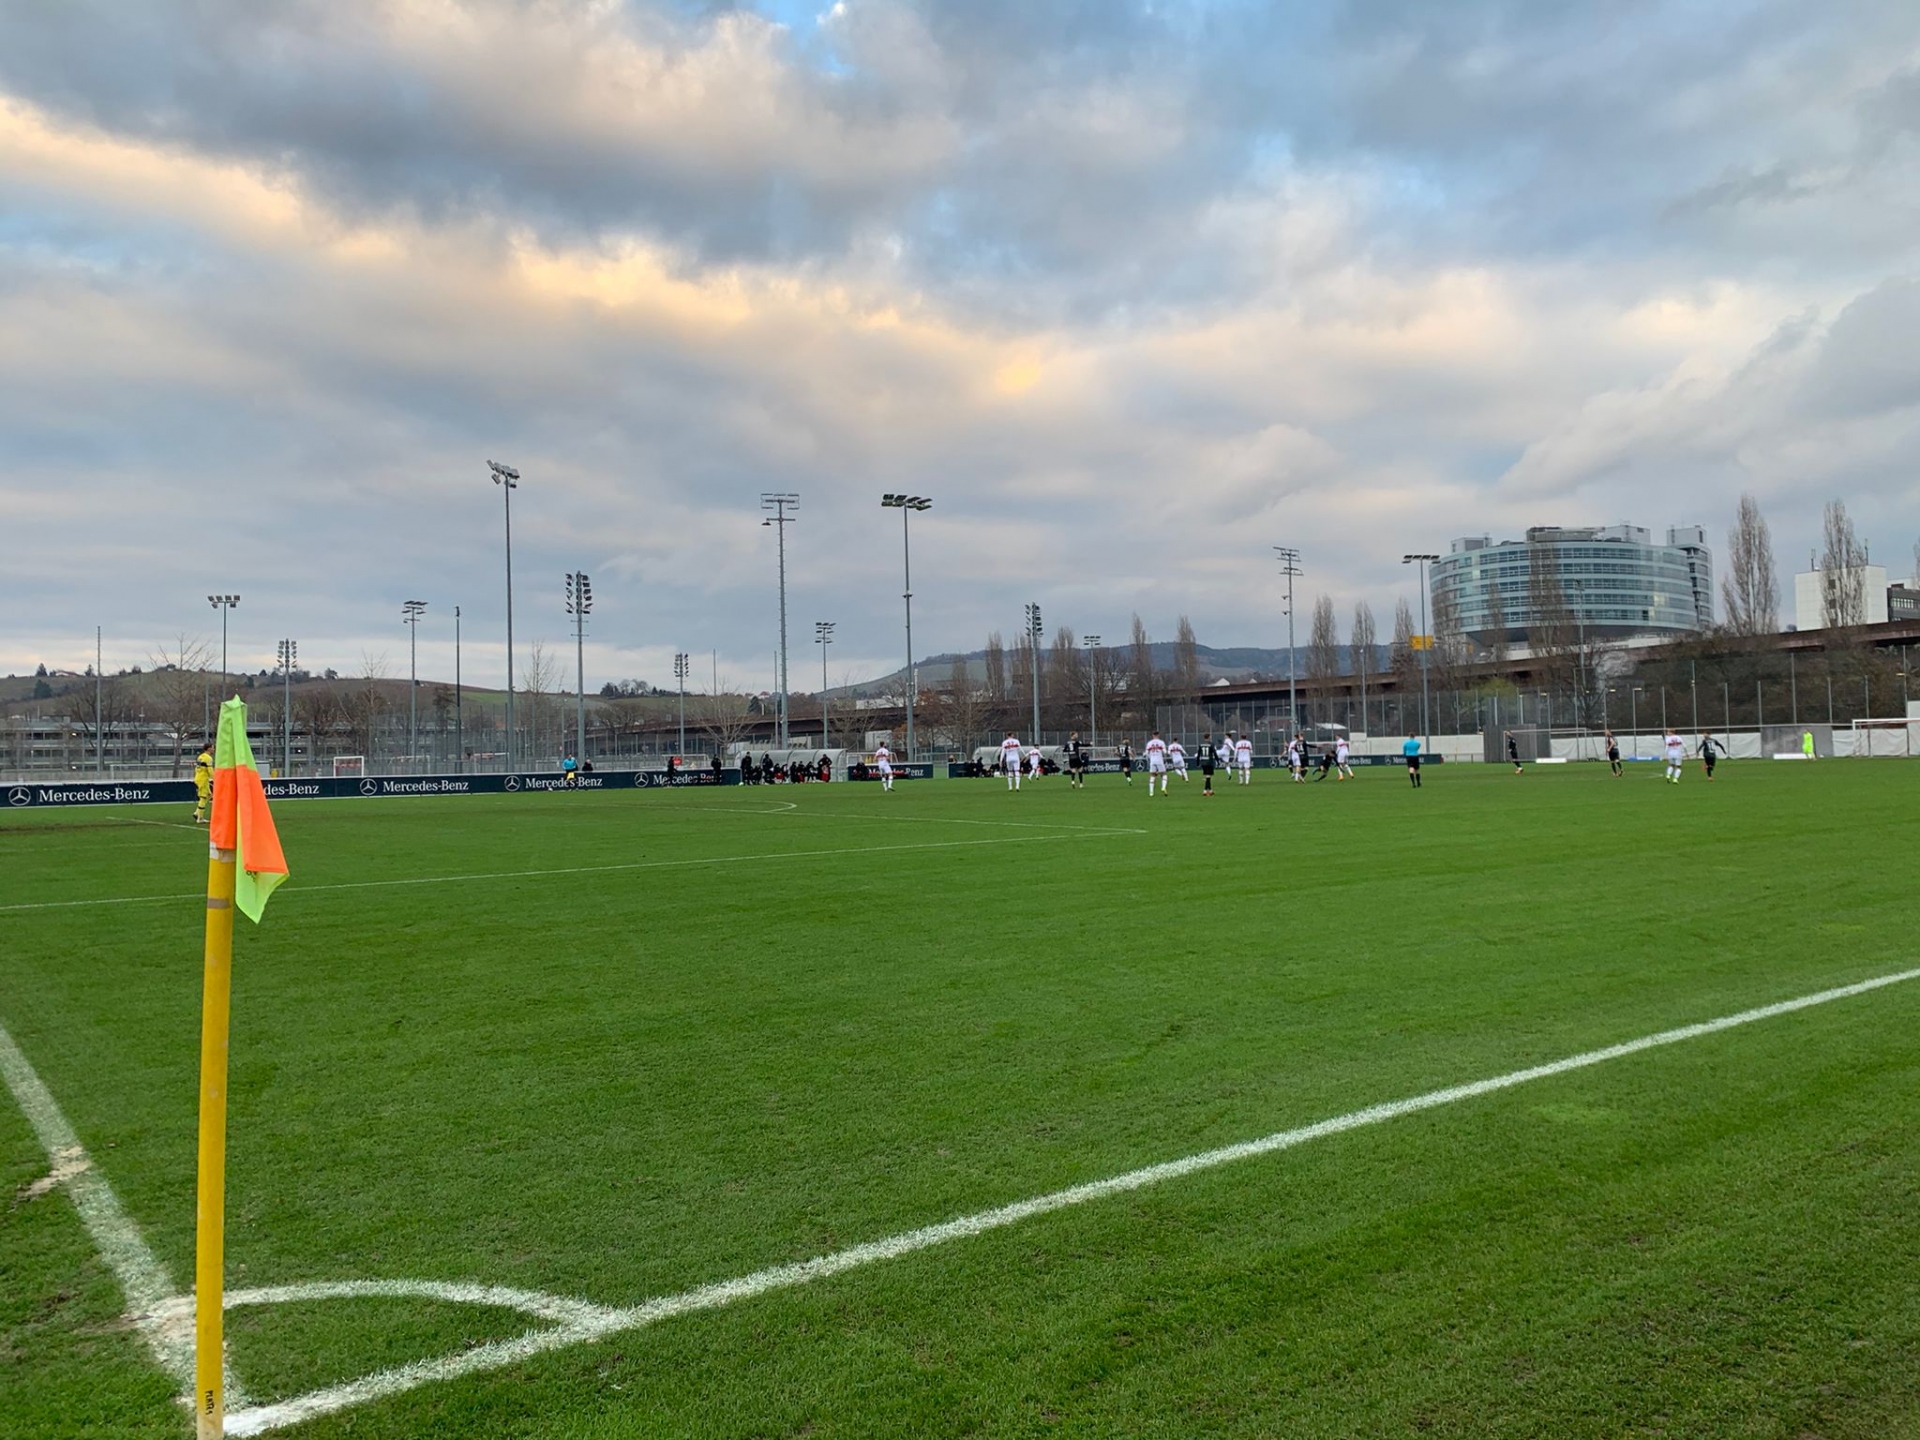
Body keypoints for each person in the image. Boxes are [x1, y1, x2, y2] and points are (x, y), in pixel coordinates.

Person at [191, 737, 214, 824]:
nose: (214, 749)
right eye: (213, 747)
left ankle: (197, 813)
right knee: (203, 798)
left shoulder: (200, 757)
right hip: (203, 779)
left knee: (209, 795)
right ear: (209, 749)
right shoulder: (208, 758)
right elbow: (210, 770)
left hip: (199, 778)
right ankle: (200, 818)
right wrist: (215, 779)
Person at [1145, 730, 1169, 796]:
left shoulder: (1149, 743)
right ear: (1158, 735)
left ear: (1153, 735)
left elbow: (1146, 753)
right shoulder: (1161, 742)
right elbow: (1165, 752)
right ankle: (1163, 787)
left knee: (1152, 776)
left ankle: (1151, 792)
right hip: (1159, 761)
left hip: (1152, 761)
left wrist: (1146, 755)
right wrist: (1167, 754)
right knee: (1164, 775)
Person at [1199, 731, 1217, 796]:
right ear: (1209, 737)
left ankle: (1210, 790)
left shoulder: (1201, 744)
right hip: (1209, 762)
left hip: (1203, 762)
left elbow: (1199, 754)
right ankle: (1205, 790)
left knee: (1207, 776)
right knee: (1208, 777)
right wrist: (1217, 760)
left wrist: (1198, 762)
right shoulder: (1211, 744)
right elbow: (1214, 752)